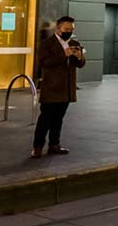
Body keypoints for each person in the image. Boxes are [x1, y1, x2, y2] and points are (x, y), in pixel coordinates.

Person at [30, 16, 86, 156]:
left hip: (67, 89)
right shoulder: (47, 44)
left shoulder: (74, 42)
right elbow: (45, 63)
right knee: (45, 119)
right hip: (52, 88)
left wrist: (79, 57)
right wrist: (64, 54)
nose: (69, 32)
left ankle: (54, 144)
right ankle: (37, 147)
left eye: (71, 30)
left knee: (58, 119)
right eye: (66, 29)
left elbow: (80, 64)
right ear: (58, 29)